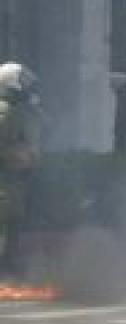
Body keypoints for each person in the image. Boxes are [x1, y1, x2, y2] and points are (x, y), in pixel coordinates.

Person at [0, 62, 41, 276]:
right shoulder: (6, 112)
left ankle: (9, 265)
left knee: (14, 223)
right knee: (5, 225)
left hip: (15, 179)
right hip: (5, 179)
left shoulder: (19, 111)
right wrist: (15, 154)